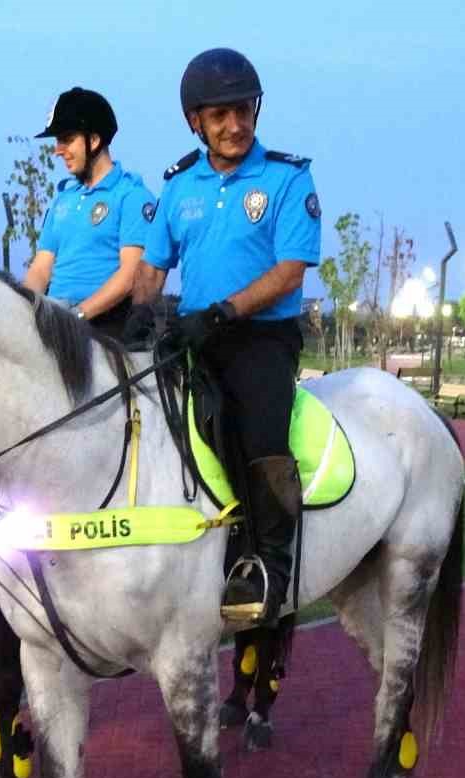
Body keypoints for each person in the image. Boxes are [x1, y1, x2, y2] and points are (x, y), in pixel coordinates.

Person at [131, 48, 322, 626]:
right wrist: (139, 314)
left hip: (262, 338)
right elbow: (154, 264)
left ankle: (269, 564)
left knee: (259, 434)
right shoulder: (179, 184)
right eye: (220, 115)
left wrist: (222, 312)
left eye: (243, 111)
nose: (235, 125)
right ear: (196, 121)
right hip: (194, 335)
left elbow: (291, 271)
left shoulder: (288, 177)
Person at [22, 87, 154, 340]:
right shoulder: (63, 199)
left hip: (103, 328)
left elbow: (130, 277)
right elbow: (40, 269)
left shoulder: (131, 196)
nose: (58, 150)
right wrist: (22, 311)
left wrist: (76, 317)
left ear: (93, 141)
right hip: (57, 319)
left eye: (66, 139)